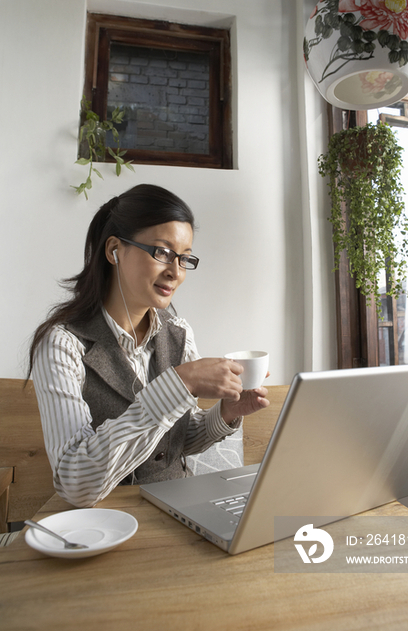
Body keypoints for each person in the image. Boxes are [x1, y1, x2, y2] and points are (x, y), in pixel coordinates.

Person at [28, 184, 269, 508]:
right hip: (104, 522)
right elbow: (75, 482)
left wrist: (226, 414)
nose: (175, 272)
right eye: (162, 252)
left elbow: (178, 441)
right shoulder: (63, 344)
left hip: (177, 511)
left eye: (184, 259)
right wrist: (179, 383)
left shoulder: (178, 333)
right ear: (114, 250)